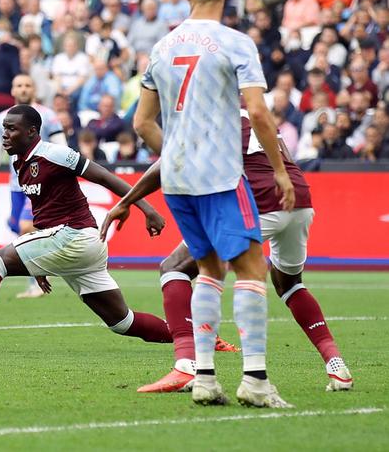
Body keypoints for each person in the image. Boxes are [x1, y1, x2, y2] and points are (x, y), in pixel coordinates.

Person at [132, 0, 296, 408]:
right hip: (220, 174)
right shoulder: (235, 42)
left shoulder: (162, 47)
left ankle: (204, 378)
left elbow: (142, 122)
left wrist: (176, 152)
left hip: (177, 178)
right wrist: (280, 170)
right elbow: (257, 111)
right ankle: (255, 381)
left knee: (208, 271)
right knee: (252, 269)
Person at [103, 111, 353, 393]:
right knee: (290, 284)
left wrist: (126, 201)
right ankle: (336, 365)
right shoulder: (253, 112)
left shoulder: (207, 113)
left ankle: (187, 365)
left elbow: (169, 161)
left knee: (174, 267)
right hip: (298, 197)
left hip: (258, 200)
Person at [0, 106, 174, 357]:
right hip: (78, 242)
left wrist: (146, 208)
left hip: (75, 235)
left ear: (31, 132)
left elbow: (104, 176)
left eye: (11, 129)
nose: (4, 134)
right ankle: (190, 336)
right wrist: (39, 265)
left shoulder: (55, 154)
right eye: (4, 128)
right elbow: (44, 212)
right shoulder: (18, 161)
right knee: (122, 322)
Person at [0, 74, 65, 299]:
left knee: (26, 227)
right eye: (19, 85)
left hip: (40, 183)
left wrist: (62, 172)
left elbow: (61, 145)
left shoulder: (47, 115)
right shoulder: (2, 117)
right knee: (16, 227)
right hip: (16, 184)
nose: (23, 89)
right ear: (12, 90)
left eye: (27, 85)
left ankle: (36, 283)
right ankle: (49, 258)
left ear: (34, 89)